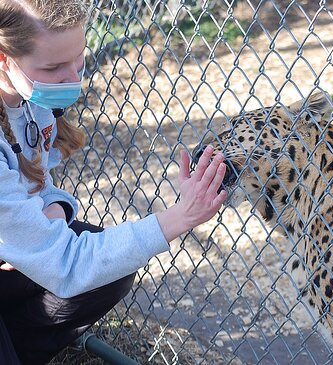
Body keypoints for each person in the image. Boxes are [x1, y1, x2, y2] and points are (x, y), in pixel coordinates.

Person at [0, 0, 228, 363]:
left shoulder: (29, 97)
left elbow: (37, 187)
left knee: (111, 271)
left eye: (77, 61)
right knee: (86, 264)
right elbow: (66, 266)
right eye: (54, 68)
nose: (73, 80)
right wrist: (180, 216)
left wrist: (53, 209)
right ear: (4, 60)